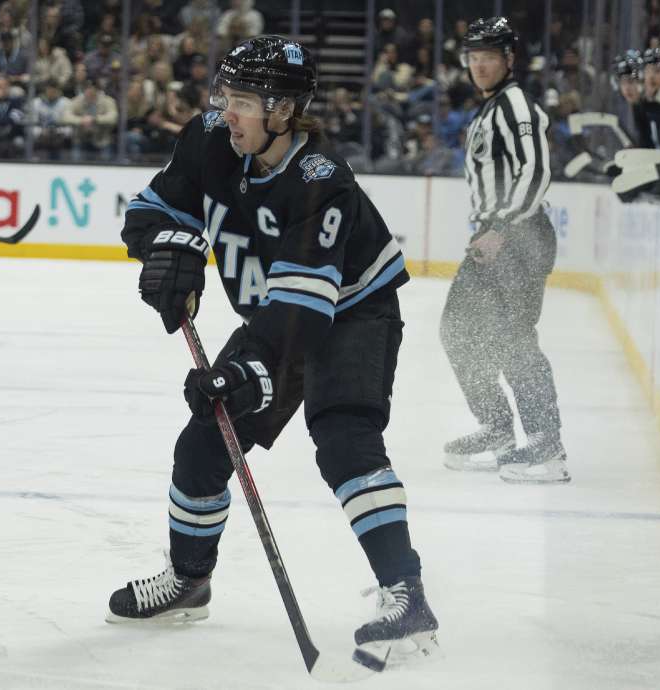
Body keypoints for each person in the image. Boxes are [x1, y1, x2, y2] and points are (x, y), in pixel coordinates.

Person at [108, 35, 440, 666]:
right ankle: (189, 581)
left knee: (343, 436)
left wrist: (243, 374)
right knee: (202, 442)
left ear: (284, 111)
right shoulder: (210, 139)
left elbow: (303, 317)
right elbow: (147, 211)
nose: (225, 111)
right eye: (224, 95)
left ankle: (407, 592)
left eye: (242, 101)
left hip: (352, 313)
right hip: (277, 315)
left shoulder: (321, 183)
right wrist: (170, 247)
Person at [439, 17, 569, 484]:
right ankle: (499, 431)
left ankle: (547, 445)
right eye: (472, 57)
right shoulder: (491, 107)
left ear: (509, 60)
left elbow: (534, 171)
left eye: (489, 56)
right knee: (459, 330)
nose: (479, 65)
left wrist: (502, 227)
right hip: (496, 237)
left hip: (516, 236)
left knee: (513, 339)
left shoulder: (515, 104)